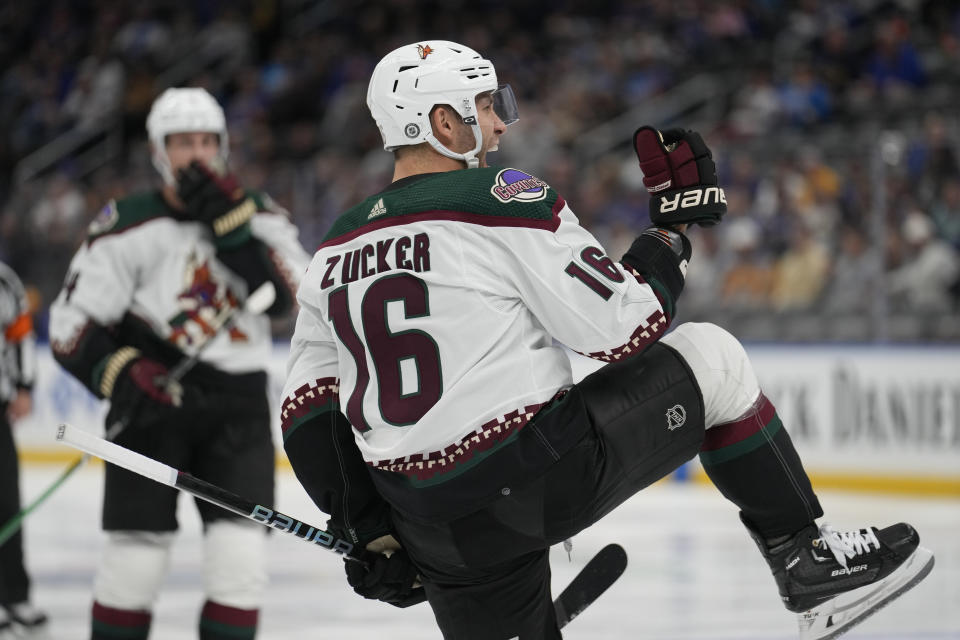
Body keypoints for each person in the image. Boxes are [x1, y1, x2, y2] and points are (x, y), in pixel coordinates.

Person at [280, 41, 934, 640]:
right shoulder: (497, 197)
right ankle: (806, 564)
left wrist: (368, 529)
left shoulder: (334, 246)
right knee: (713, 361)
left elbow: (307, 413)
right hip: (534, 483)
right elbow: (624, 328)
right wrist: (669, 240)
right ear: (444, 124)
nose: (502, 122)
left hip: (431, 529)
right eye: (487, 104)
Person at [49, 87, 311, 640]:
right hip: (152, 406)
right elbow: (71, 325)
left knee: (239, 567)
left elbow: (300, 301)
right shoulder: (127, 223)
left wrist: (236, 232)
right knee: (133, 565)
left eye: (205, 141)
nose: (195, 154)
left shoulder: (261, 215)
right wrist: (120, 370)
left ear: (223, 146)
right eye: (182, 142)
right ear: (157, 150)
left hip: (237, 412)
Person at [0, 262, 48, 637]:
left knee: (6, 505)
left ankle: (14, 594)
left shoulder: (4, 279)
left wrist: (24, 386)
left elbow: (20, 333)